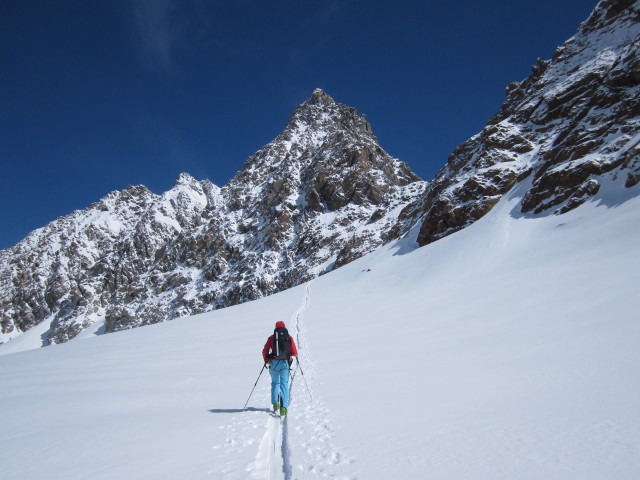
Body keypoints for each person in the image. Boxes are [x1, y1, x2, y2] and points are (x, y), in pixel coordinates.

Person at [262, 321, 298, 416]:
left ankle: (275, 405)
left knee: (275, 383)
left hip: (273, 364)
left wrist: (267, 359)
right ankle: (284, 408)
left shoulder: (271, 338)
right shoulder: (288, 337)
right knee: (284, 385)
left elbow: (265, 351)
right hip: (284, 364)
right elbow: (294, 352)